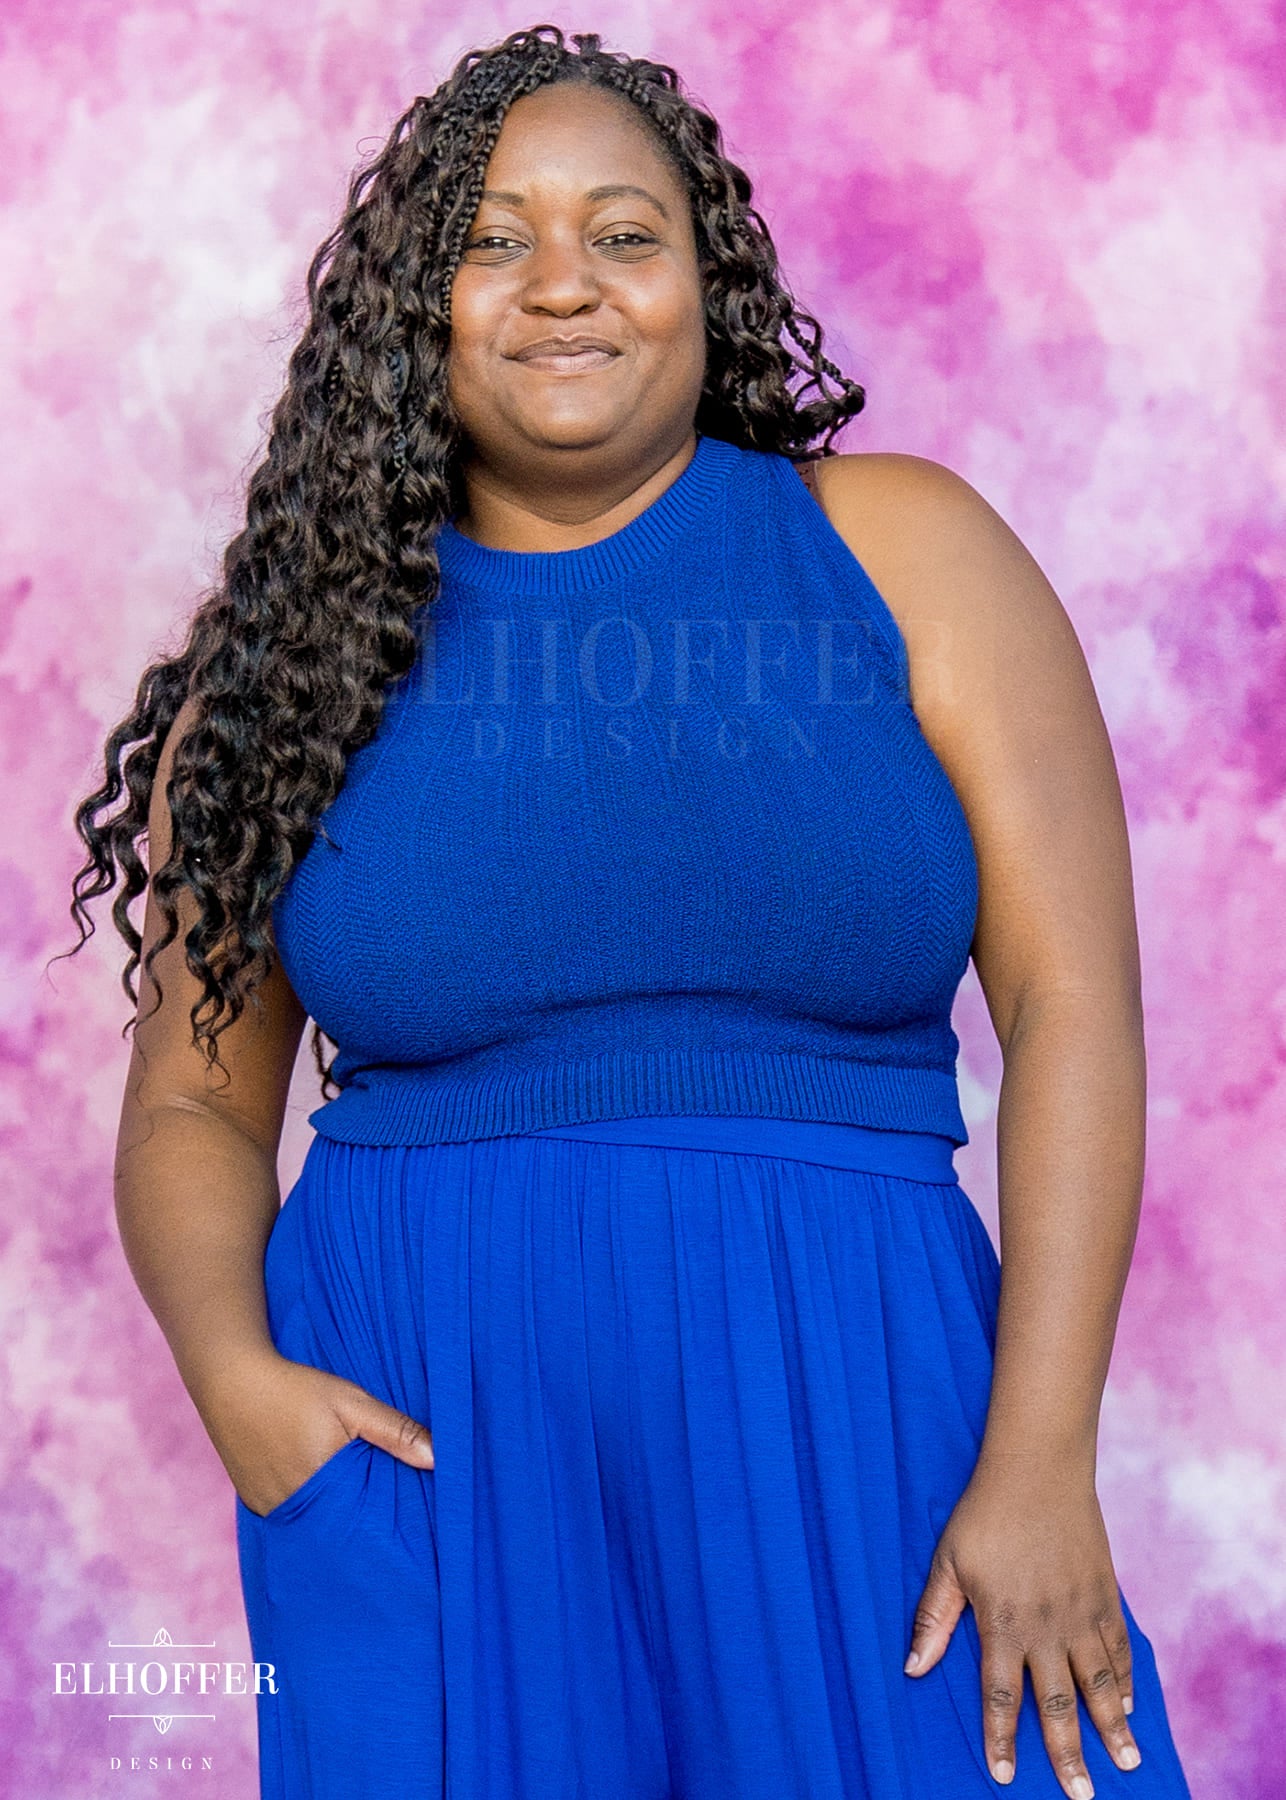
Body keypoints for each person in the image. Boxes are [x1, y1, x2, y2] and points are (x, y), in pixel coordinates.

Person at [66, 23, 1195, 1800]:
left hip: (864, 1404)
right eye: (490, 240)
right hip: (429, 1448)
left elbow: (1071, 1016)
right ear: (412, 310)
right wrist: (236, 1384)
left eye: (622, 233)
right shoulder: (295, 666)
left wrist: (1041, 1457)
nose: (561, 284)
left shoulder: (902, 554)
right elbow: (195, 1103)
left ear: (704, 282)